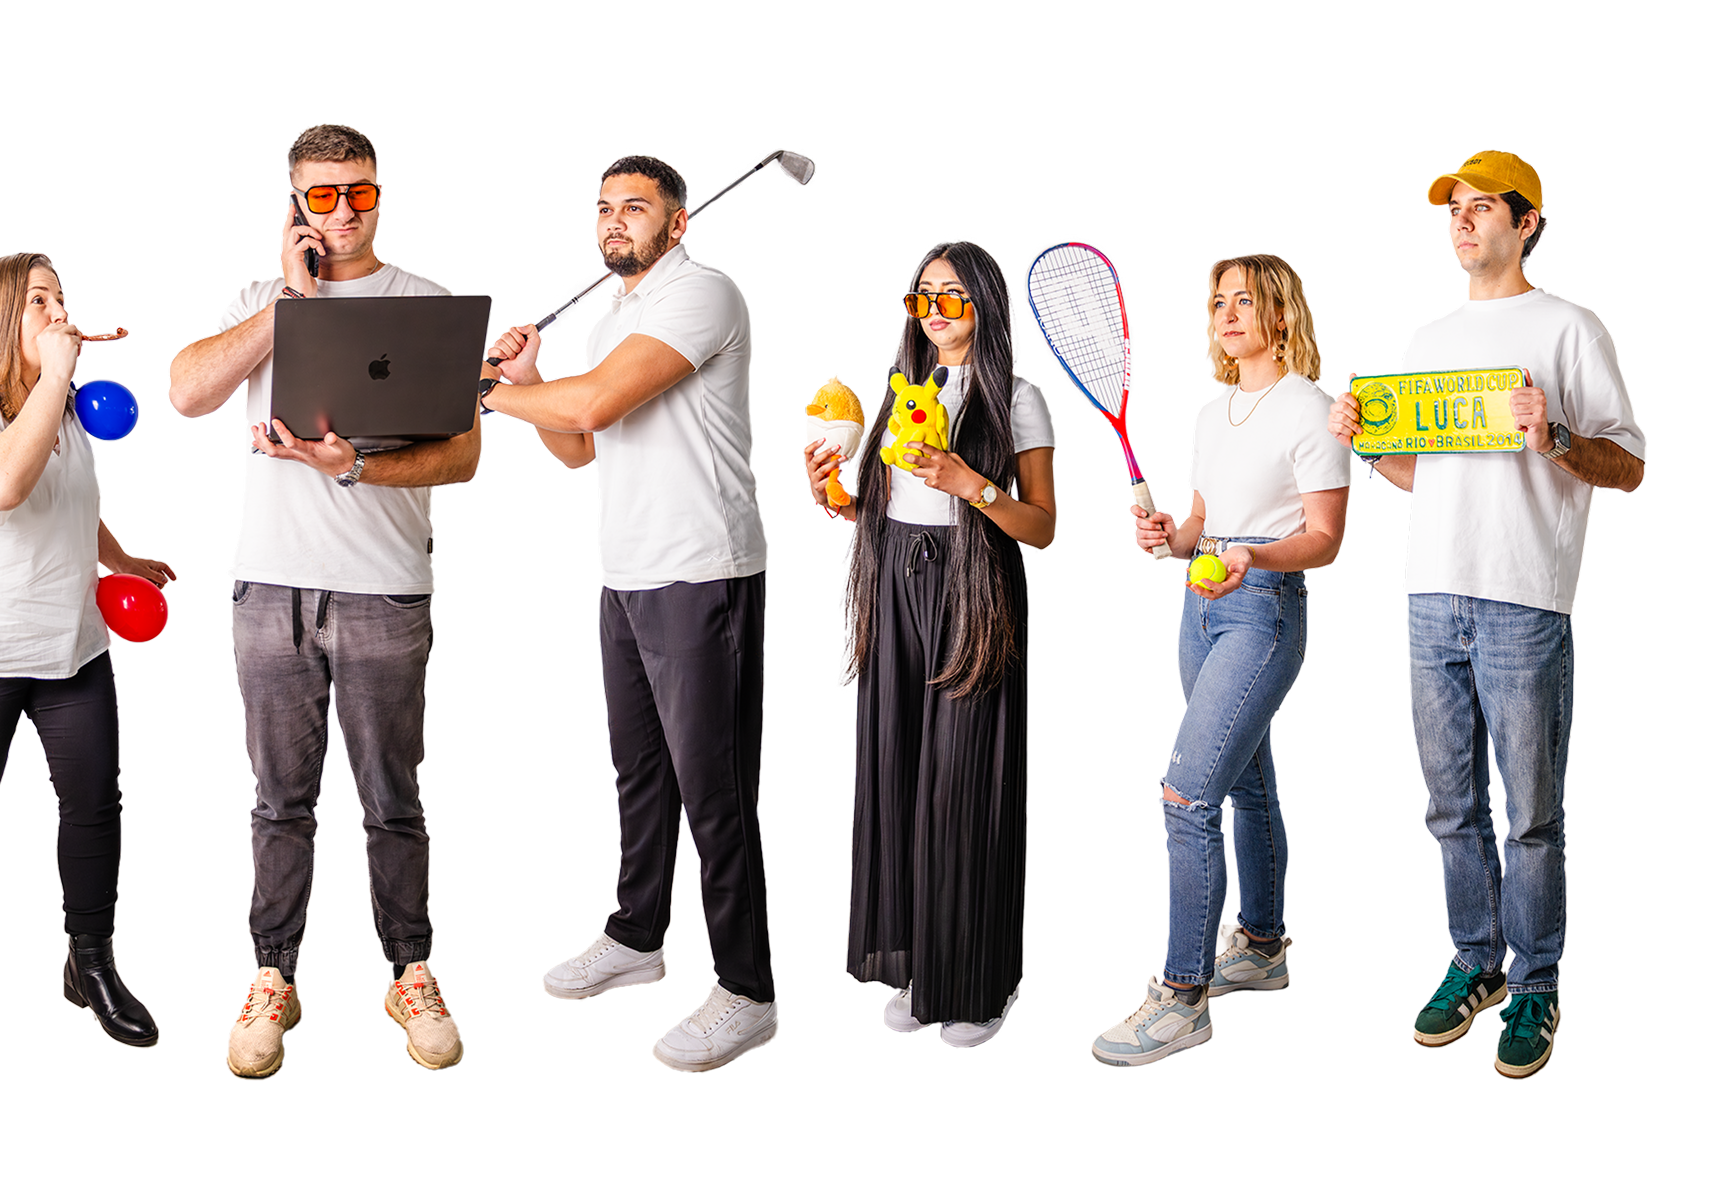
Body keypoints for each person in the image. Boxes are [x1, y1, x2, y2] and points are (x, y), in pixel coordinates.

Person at [163, 121, 479, 1079]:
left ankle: (409, 972)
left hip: (386, 588)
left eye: (362, 192)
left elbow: (462, 457)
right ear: (295, 202)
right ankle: (273, 977)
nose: (344, 212)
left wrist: (355, 471)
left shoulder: (425, 303)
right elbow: (185, 393)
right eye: (324, 195)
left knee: (393, 798)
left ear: (382, 193)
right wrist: (289, 304)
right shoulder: (261, 300)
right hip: (269, 588)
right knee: (277, 802)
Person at [1328, 149, 1644, 1081]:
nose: (1460, 222)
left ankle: (1538, 979)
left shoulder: (1571, 328)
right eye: (1453, 211)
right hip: (1431, 593)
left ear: (1527, 222)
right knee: (1451, 806)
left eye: (1479, 208)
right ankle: (1476, 962)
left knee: (1533, 813)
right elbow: (1424, 481)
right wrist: (1363, 450)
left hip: (1524, 598)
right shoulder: (1426, 340)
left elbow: (1628, 464)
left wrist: (1550, 436)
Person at [483, 152, 781, 1073]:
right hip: (627, 573)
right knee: (639, 778)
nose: (615, 223)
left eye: (636, 209)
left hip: (704, 577)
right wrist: (533, 378)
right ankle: (636, 937)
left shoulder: (708, 294)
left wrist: (492, 393)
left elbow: (603, 397)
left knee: (715, 792)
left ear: (679, 221)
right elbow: (578, 444)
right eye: (605, 209)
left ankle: (747, 990)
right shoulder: (616, 313)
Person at [0, 251, 176, 1050]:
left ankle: (90, 963)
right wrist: (54, 379)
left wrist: (121, 560)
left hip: (71, 639)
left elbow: (69, 501)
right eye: (40, 299)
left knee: (94, 803)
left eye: (62, 297)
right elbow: (4, 487)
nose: (59, 311)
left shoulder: (65, 406)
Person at [1087, 253, 1346, 1066]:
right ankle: (1263, 947)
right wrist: (1169, 537)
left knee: (1185, 797)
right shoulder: (1209, 413)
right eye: (1219, 302)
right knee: (1245, 782)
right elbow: (1201, 521)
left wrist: (1250, 559)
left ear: (1281, 317)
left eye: (1247, 301)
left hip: (1263, 615)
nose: (1229, 314)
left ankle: (1182, 994)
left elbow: (1326, 540)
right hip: (1198, 609)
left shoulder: (1312, 409)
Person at [801, 233, 1057, 1048]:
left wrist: (969, 483)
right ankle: (924, 965)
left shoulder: (1015, 397)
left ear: (984, 302)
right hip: (894, 587)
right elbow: (875, 504)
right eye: (921, 297)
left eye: (950, 295)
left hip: (970, 592)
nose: (934, 311)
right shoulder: (901, 388)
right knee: (897, 773)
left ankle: (982, 982)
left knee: (962, 786)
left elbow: (1042, 529)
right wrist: (836, 499)